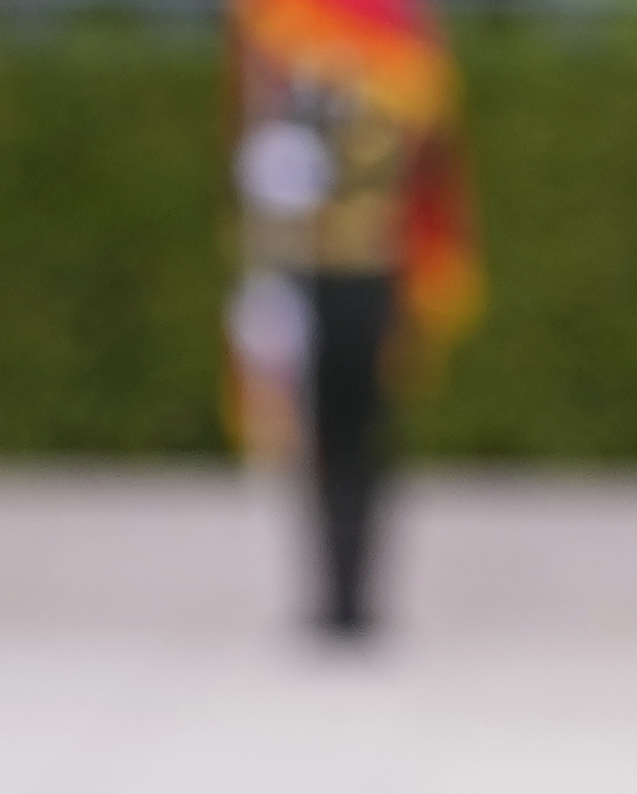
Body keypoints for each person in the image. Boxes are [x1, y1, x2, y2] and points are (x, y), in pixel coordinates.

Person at [230, 0, 481, 641]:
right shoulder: (282, 30)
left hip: (373, 268)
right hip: (302, 266)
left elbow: (425, 168)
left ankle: (359, 595)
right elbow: (254, 136)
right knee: (309, 437)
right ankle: (325, 594)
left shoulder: (400, 39)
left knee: (364, 435)